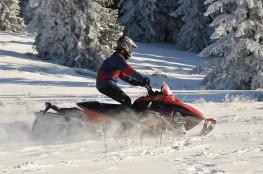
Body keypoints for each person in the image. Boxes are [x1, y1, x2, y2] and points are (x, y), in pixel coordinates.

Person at [96, 35, 150, 106]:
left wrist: (138, 82)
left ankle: (118, 115)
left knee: (126, 101)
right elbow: (128, 69)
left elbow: (124, 76)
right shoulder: (118, 58)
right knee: (126, 101)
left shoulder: (117, 58)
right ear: (125, 46)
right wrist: (143, 78)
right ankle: (120, 116)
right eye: (130, 48)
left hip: (105, 84)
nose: (131, 50)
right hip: (106, 83)